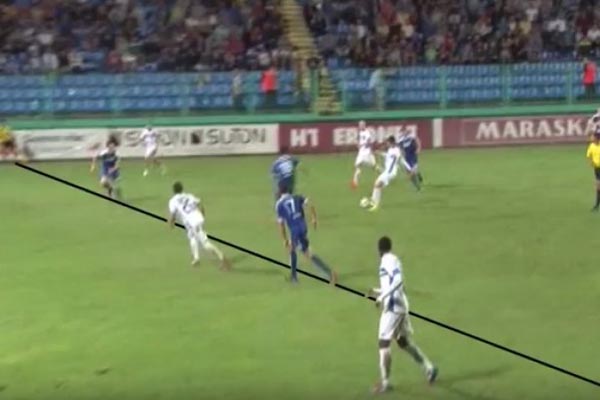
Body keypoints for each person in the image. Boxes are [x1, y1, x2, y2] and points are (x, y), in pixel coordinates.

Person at [368, 236, 438, 394]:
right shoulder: (393, 260)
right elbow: (391, 284)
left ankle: (385, 383)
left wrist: (382, 297)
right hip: (400, 306)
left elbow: (398, 282)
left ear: (379, 250)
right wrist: (377, 291)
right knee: (402, 341)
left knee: (383, 343)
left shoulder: (387, 261)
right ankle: (429, 368)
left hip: (393, 308)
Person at [275, 187, 337, 284]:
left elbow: (281, 224)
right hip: (303, 226)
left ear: (279, 194)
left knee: (304, 252)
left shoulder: (279, 204)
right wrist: (314, 218)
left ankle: (329, 273)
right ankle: (294, 277)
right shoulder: (297, 197)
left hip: (295, 230)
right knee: (296, 250)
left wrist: (284, 239)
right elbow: (310, 203)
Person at [168, 181, 231, 268]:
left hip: (193, 222)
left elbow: (173, 214)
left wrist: (171, 223)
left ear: (173, 191)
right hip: (195, 219)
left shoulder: (173, 201)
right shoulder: (188, 196)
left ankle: (222, 257)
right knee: (192, 237)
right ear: (182, 189)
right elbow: (200, 204)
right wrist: (202, 214)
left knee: (205, 244)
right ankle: (196, 258)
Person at [366, 136, 402, 212]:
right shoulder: (391, 150)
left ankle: (376, 205)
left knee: (378, 185)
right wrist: (379, 153)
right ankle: (373, 201)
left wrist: (380, 152)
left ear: (391, 142)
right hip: (387, 172)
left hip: (390, 172)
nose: (387, 144)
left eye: (388, 142)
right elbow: (388, 156)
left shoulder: (396, 150)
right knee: (376, 184)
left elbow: (393, 158)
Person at [351, 120, 379, 189]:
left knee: (373, 166)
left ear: (364, 125)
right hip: (361, 153)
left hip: (367, 153)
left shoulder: (367, 133)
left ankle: (382, 174)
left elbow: (369, 142)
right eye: (359, 125)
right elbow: (358, 139)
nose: (359, 126)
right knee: (357, 165)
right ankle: (355, 182)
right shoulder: (360, 132)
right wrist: (358, 145)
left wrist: (364, 146)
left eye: (361, 125)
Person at [586, 133, 600, 211]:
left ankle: (597, 205)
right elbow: (588, 155)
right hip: (597, 169)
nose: (592, 138)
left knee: (598, 187)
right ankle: (597, 205)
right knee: (598, 187)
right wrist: (591, 162)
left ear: (597, 138)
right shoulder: (591, 146)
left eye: (593, 137)